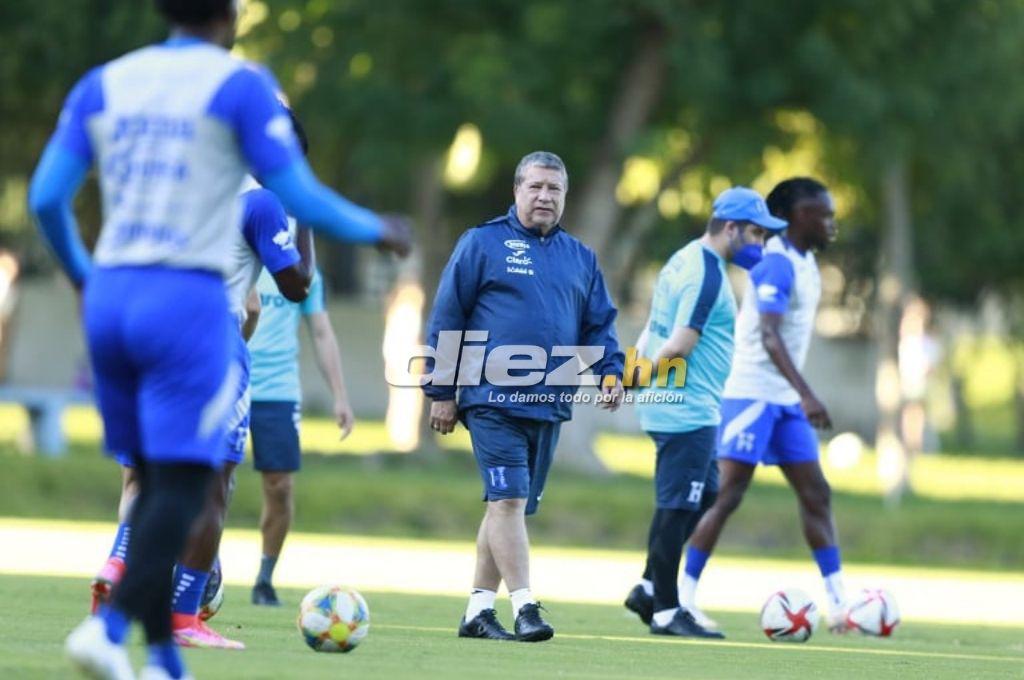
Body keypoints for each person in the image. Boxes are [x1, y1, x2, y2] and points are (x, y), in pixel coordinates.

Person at [28, 1, 410, 677]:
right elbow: (301, 196)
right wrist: (376, 229)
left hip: (112, 299)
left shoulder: (105, 81)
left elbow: (44, 199)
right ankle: (109, 631)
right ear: (231, 18)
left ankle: (162, 660)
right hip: (189, 305)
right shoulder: (241, 86)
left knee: (152, 479)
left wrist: (85, 276)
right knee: (189, 485)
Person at [88, 112, 318, 651]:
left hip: (147, 336)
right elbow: (298, 285)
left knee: (152, 472)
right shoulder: (261, 202)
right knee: (214, 484)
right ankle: (183, 618)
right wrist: (305, 214)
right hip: (209, 344)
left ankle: (119, 562)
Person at [424, 151, 625, 643]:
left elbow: (598, 325)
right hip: (491, 399)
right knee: (509, 501)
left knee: (505, 507)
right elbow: (449, 315)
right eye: (535, 186)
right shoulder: (482, 242)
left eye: (554, 189)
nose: (544, 196)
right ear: (517, 190)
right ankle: (525, 607)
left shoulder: (580, 257)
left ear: (565, 196)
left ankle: (477, 611)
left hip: (549, 403)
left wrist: (610, 372)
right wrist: (442, 391)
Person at [678, 178, 847, 632]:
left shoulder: (803, 260)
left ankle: (840, 605)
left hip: (784, 401)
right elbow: (770, 336)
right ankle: (681, 596)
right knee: (725, 495)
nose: (831, 223)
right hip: (750, 393)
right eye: (823, 215)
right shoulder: (777, 264)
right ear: (798, 218)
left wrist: (797, 395)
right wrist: (808, 393)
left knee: (816, 493)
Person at [623, 187, 786, 638]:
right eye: (756, 233)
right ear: (731, 228)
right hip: (686, 407)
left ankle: (647, 587)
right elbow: (677, 344)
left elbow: (651, 327)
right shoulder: (707, 274)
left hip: (685, 405)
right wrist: (635, 378)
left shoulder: (681, 259)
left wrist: (632, 374)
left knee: (707, 493)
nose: (760, 243)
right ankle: (665, 610)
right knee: (677, 506)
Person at [246, 262, 356, 606]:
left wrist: (340, 396)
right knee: (210, 482)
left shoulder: (302, 270)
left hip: (278, 390)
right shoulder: (233, 255)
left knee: (280, 486)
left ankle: (265, 578)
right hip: (227, 382)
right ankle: (202, 571)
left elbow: (321, 332)